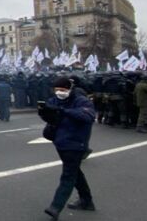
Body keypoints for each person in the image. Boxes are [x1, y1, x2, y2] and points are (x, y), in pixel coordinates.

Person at [39, 76, 95, 220]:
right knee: (75, 172)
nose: (59, 92)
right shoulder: (54, 100)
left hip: (76, 143)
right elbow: (52, 119)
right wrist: (45, 113)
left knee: (68, 175)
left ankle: (55, 207)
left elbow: (88, 116)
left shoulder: (81, 100)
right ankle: (86, 201)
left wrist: (63, 110)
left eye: (62, 90)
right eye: (57, 90)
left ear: (70, 89)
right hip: (60, 142)